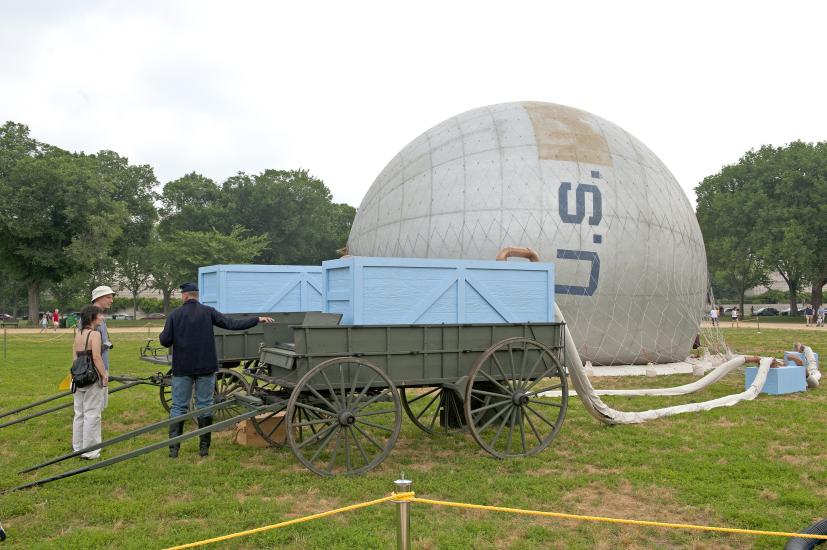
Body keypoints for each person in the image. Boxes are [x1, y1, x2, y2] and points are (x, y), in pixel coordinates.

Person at [159, 282, 274, 458]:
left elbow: (165, 341)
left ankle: (174, 450)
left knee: (179, 407)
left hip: (183, 368)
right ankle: (204, 449)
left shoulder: (175, 314)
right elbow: (232, 324)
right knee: (205, 405)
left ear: (184, 296)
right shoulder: (208, 312)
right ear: (197, 296)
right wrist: (257, 319)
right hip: (206, 366)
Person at [71, 305, 109, 459]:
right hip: (92, 377)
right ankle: (91, 451)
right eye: (100, 315)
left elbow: (75, 357)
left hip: (78, 376)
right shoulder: (95, 334)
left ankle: (77, 448)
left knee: (79, 413)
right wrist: (104, 375)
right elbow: (96, 357)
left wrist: (76, 375)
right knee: (92, 414)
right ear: (93, 317)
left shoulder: (78, 333)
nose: (102, 317)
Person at [91, 285, 117, 410]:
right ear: (98, 298)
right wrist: (102, 372)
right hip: (95, 367)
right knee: (95, 406)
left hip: (98, 363)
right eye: (108, 297)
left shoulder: (97, 314)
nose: (111, 300)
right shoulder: (93, 316)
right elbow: (88, 344)